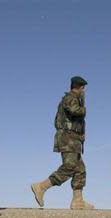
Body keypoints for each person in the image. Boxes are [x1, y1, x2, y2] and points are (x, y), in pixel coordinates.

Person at [31, 76, 94, 210]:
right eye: (83, 89)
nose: (84, 91)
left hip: (73, 138)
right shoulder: (71, 98)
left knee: (80, 169)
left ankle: (78, 201)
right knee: (70, 166)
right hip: (68, 138)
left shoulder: (73, 98)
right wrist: (84, 109)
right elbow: (74, 110)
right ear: (80, 88)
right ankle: (41, 187)